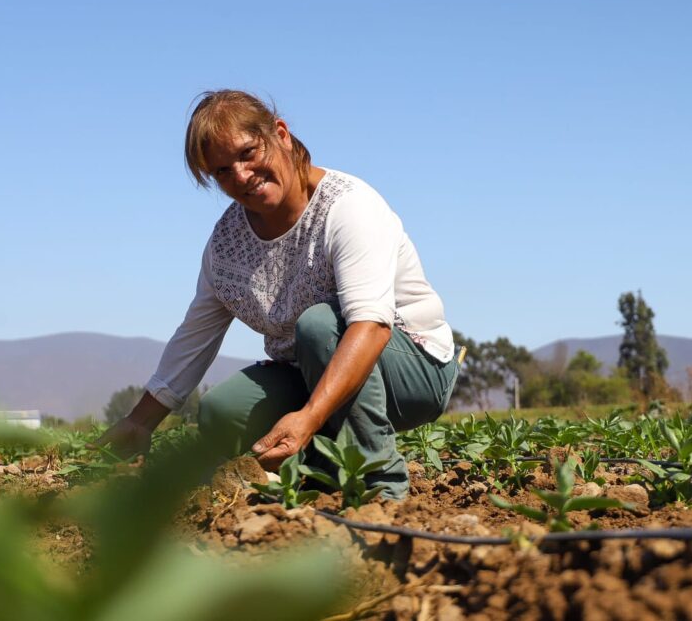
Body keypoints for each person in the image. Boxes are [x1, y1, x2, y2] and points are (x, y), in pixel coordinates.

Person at [98, 90, 457, 499]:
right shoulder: (228, 244)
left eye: (249, 152)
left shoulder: (348, 208)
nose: (241, 175)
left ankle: (380, 486)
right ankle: (319, 471)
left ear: (281, 135)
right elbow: (195, 336)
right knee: (224, 410)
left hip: (413, 365)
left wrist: (310, 416)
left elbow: (372, 326)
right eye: (222, 171)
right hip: (314, 368)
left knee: (319, 324)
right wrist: (140, 422)